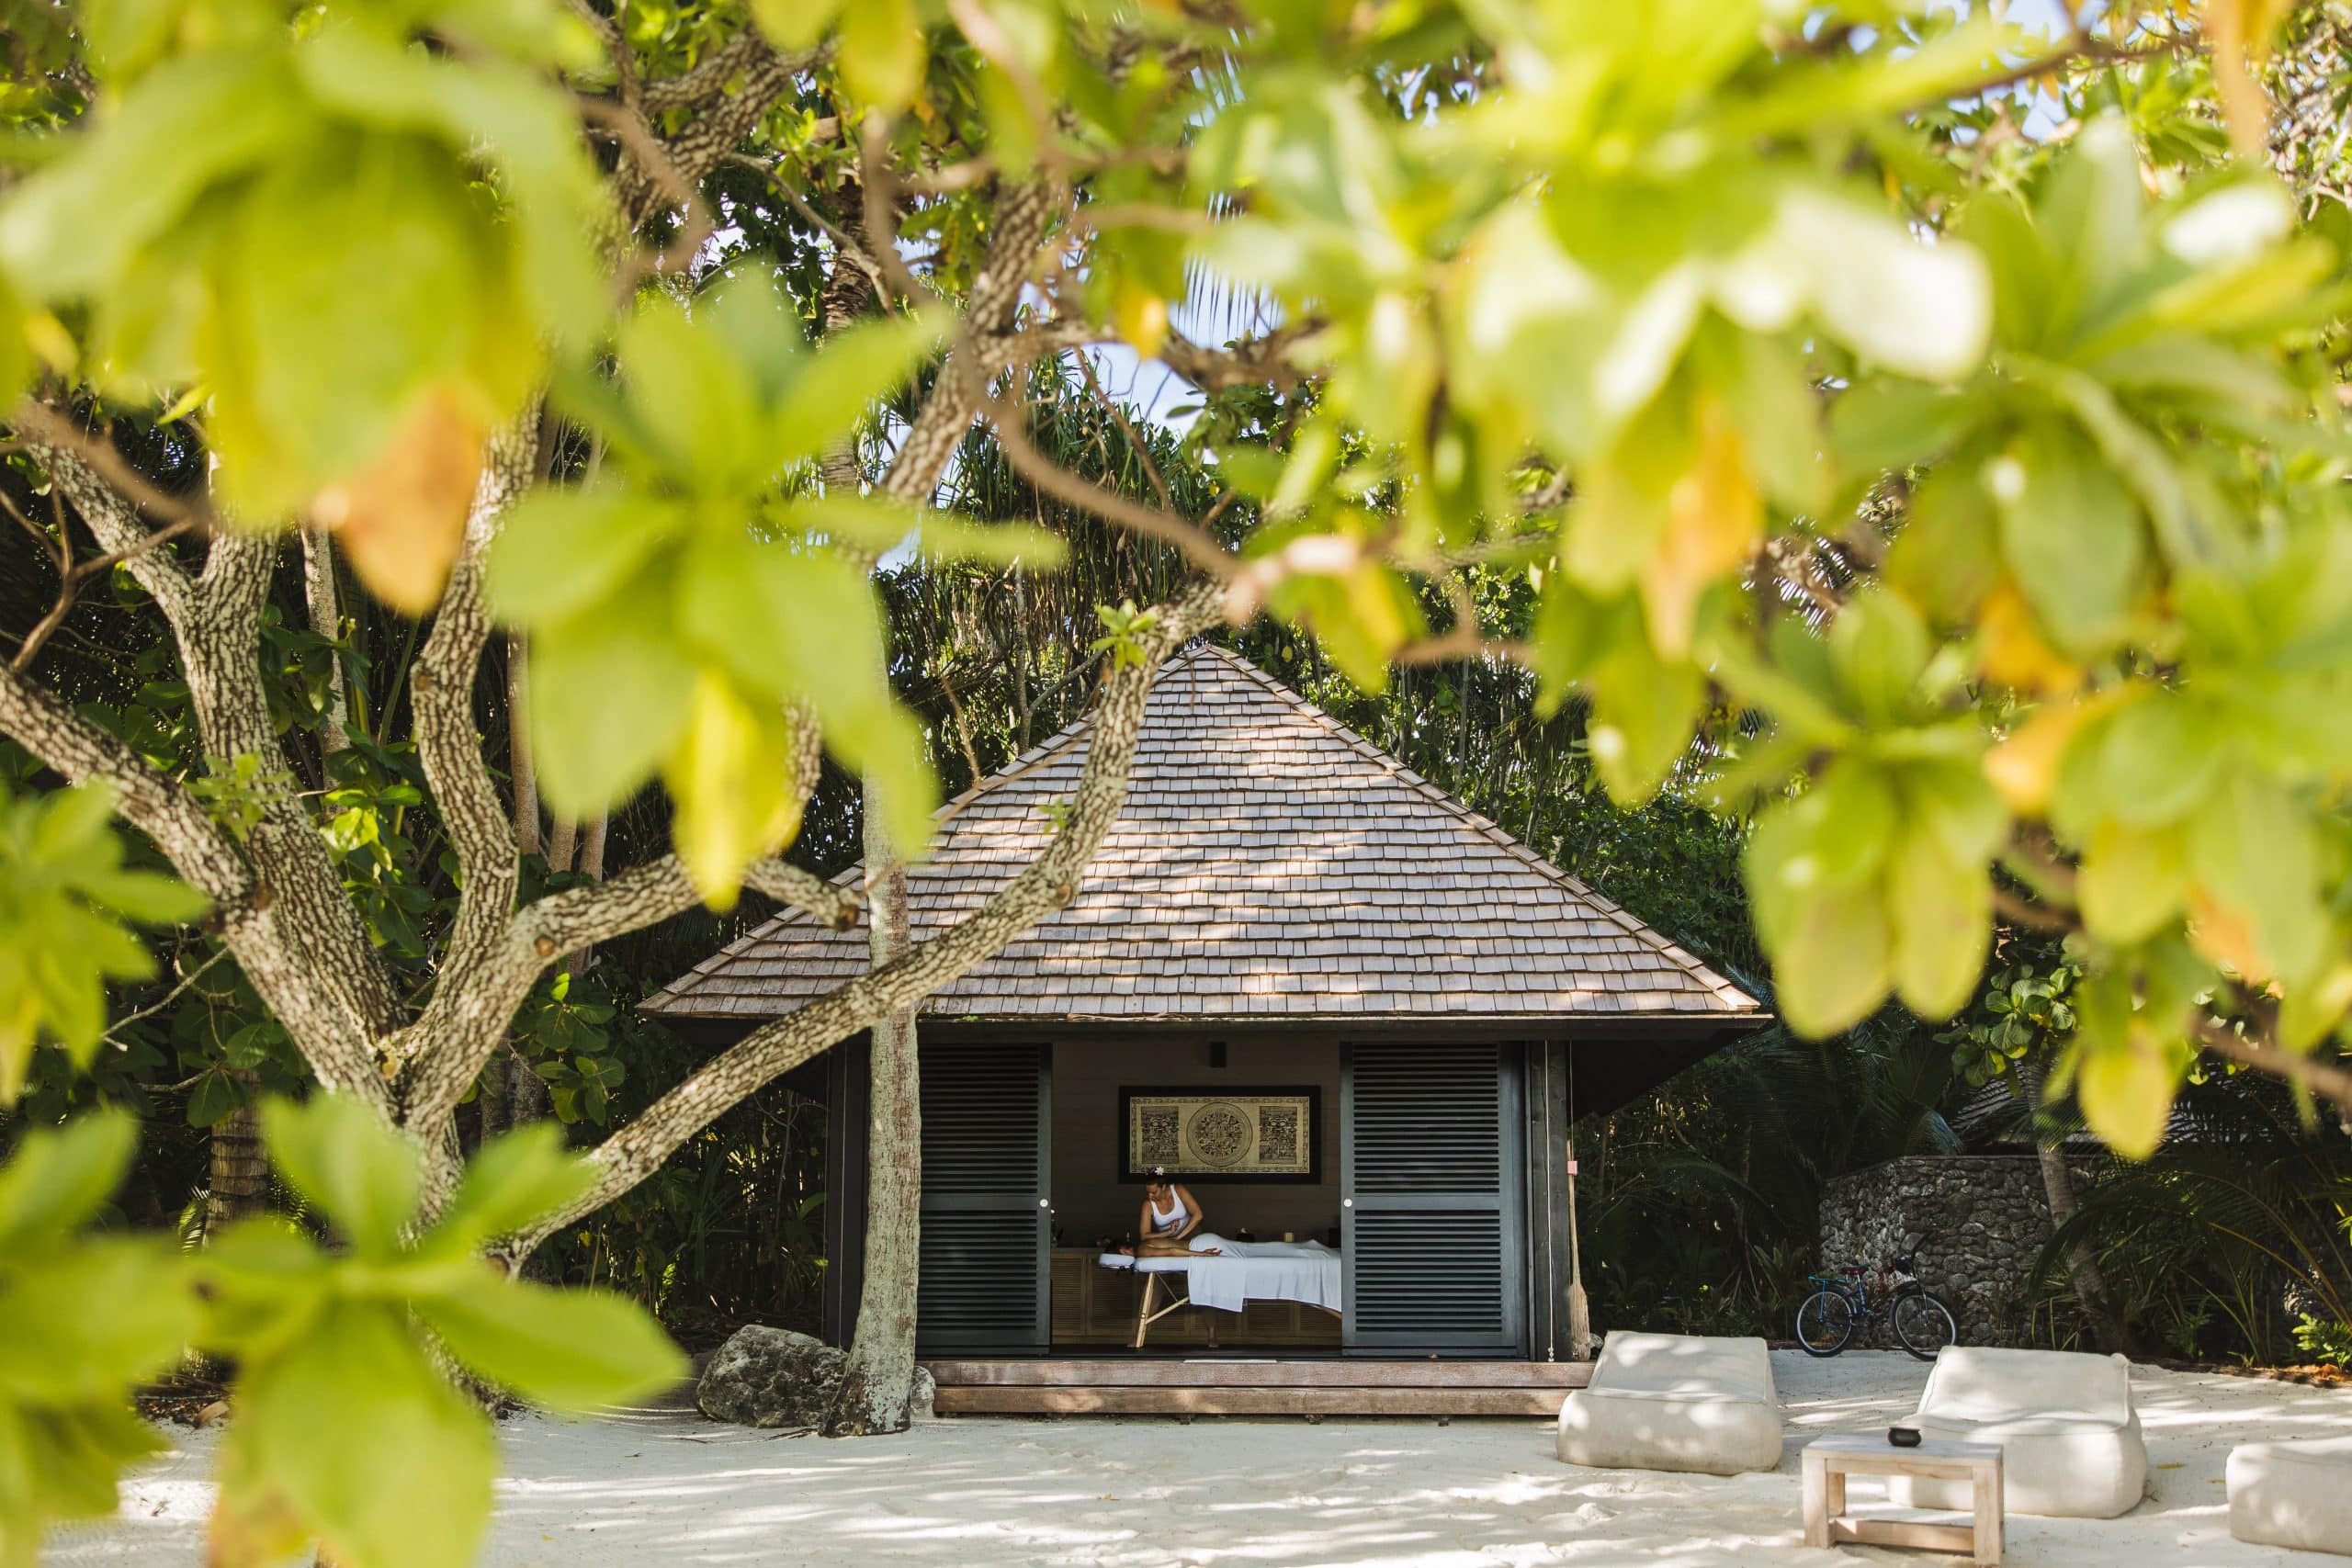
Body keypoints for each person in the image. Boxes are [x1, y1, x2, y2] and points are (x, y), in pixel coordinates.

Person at [1120, 1168, 1218, 1257]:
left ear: (1163, 1187)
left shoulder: (1178, 1189)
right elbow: (1144, 1236)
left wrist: (1179, 1237)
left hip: (1191, 1232)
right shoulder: (1147, 1204)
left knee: (1200, 1258)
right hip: (1168, 1239)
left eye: (1154, 1192)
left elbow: (1198, 1215)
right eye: (1148, 1192)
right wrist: (1169, 1232)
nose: (1150, 1196)